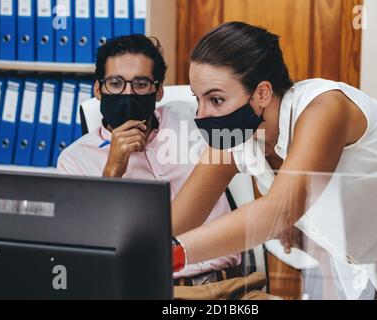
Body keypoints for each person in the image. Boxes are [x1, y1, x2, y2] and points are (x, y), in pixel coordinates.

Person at [171, 22, 377, 300]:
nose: (201, 114)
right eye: (197, 99)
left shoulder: (324, 109)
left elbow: (280, 210)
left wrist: (174, 254)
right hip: (369, 273)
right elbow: (177, 222)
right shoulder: (238, 137)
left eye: (215, 99)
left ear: (261, 93)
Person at [57, 34, 271, 300]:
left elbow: (255, 142)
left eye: (141, 83)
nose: (128, 93)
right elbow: (91, 249)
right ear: (98, 89)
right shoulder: (75, 160)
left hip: (233, 286)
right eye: (115, 83)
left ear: (158, 90)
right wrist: (113, 171)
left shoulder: (192, 118)